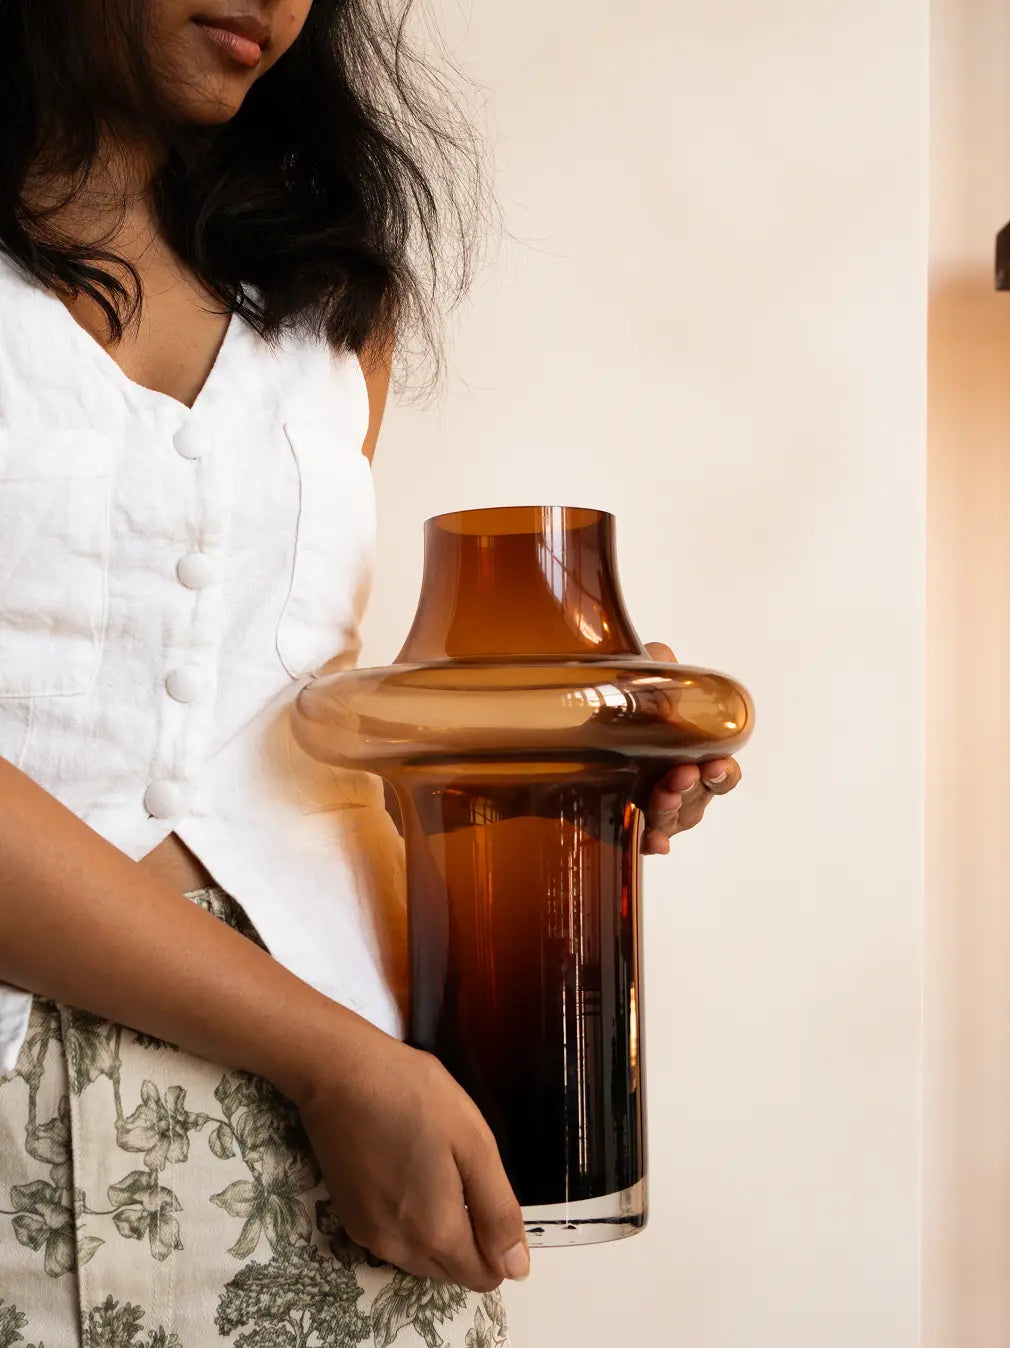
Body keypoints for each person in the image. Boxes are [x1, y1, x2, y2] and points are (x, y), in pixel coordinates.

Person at [0, 3, 743, 1345]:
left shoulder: (326, 294)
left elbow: (272, 725)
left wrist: (542, 772)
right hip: (282, 1077)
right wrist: (334, 1063)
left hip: (335, 1147)